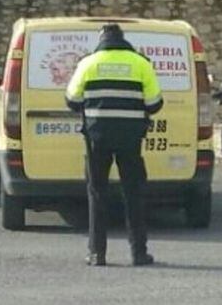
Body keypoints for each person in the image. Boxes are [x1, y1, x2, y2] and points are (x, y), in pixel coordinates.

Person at [65, 24, 163, 267]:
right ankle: (138, 253)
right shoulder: (141, 63)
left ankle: (97, 254)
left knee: (97, 193)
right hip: (130, 139)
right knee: (134, 193)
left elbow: (72, 100)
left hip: (97, 138)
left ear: (101, 39)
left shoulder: (88, 63)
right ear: (123, 39)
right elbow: (154, 104)